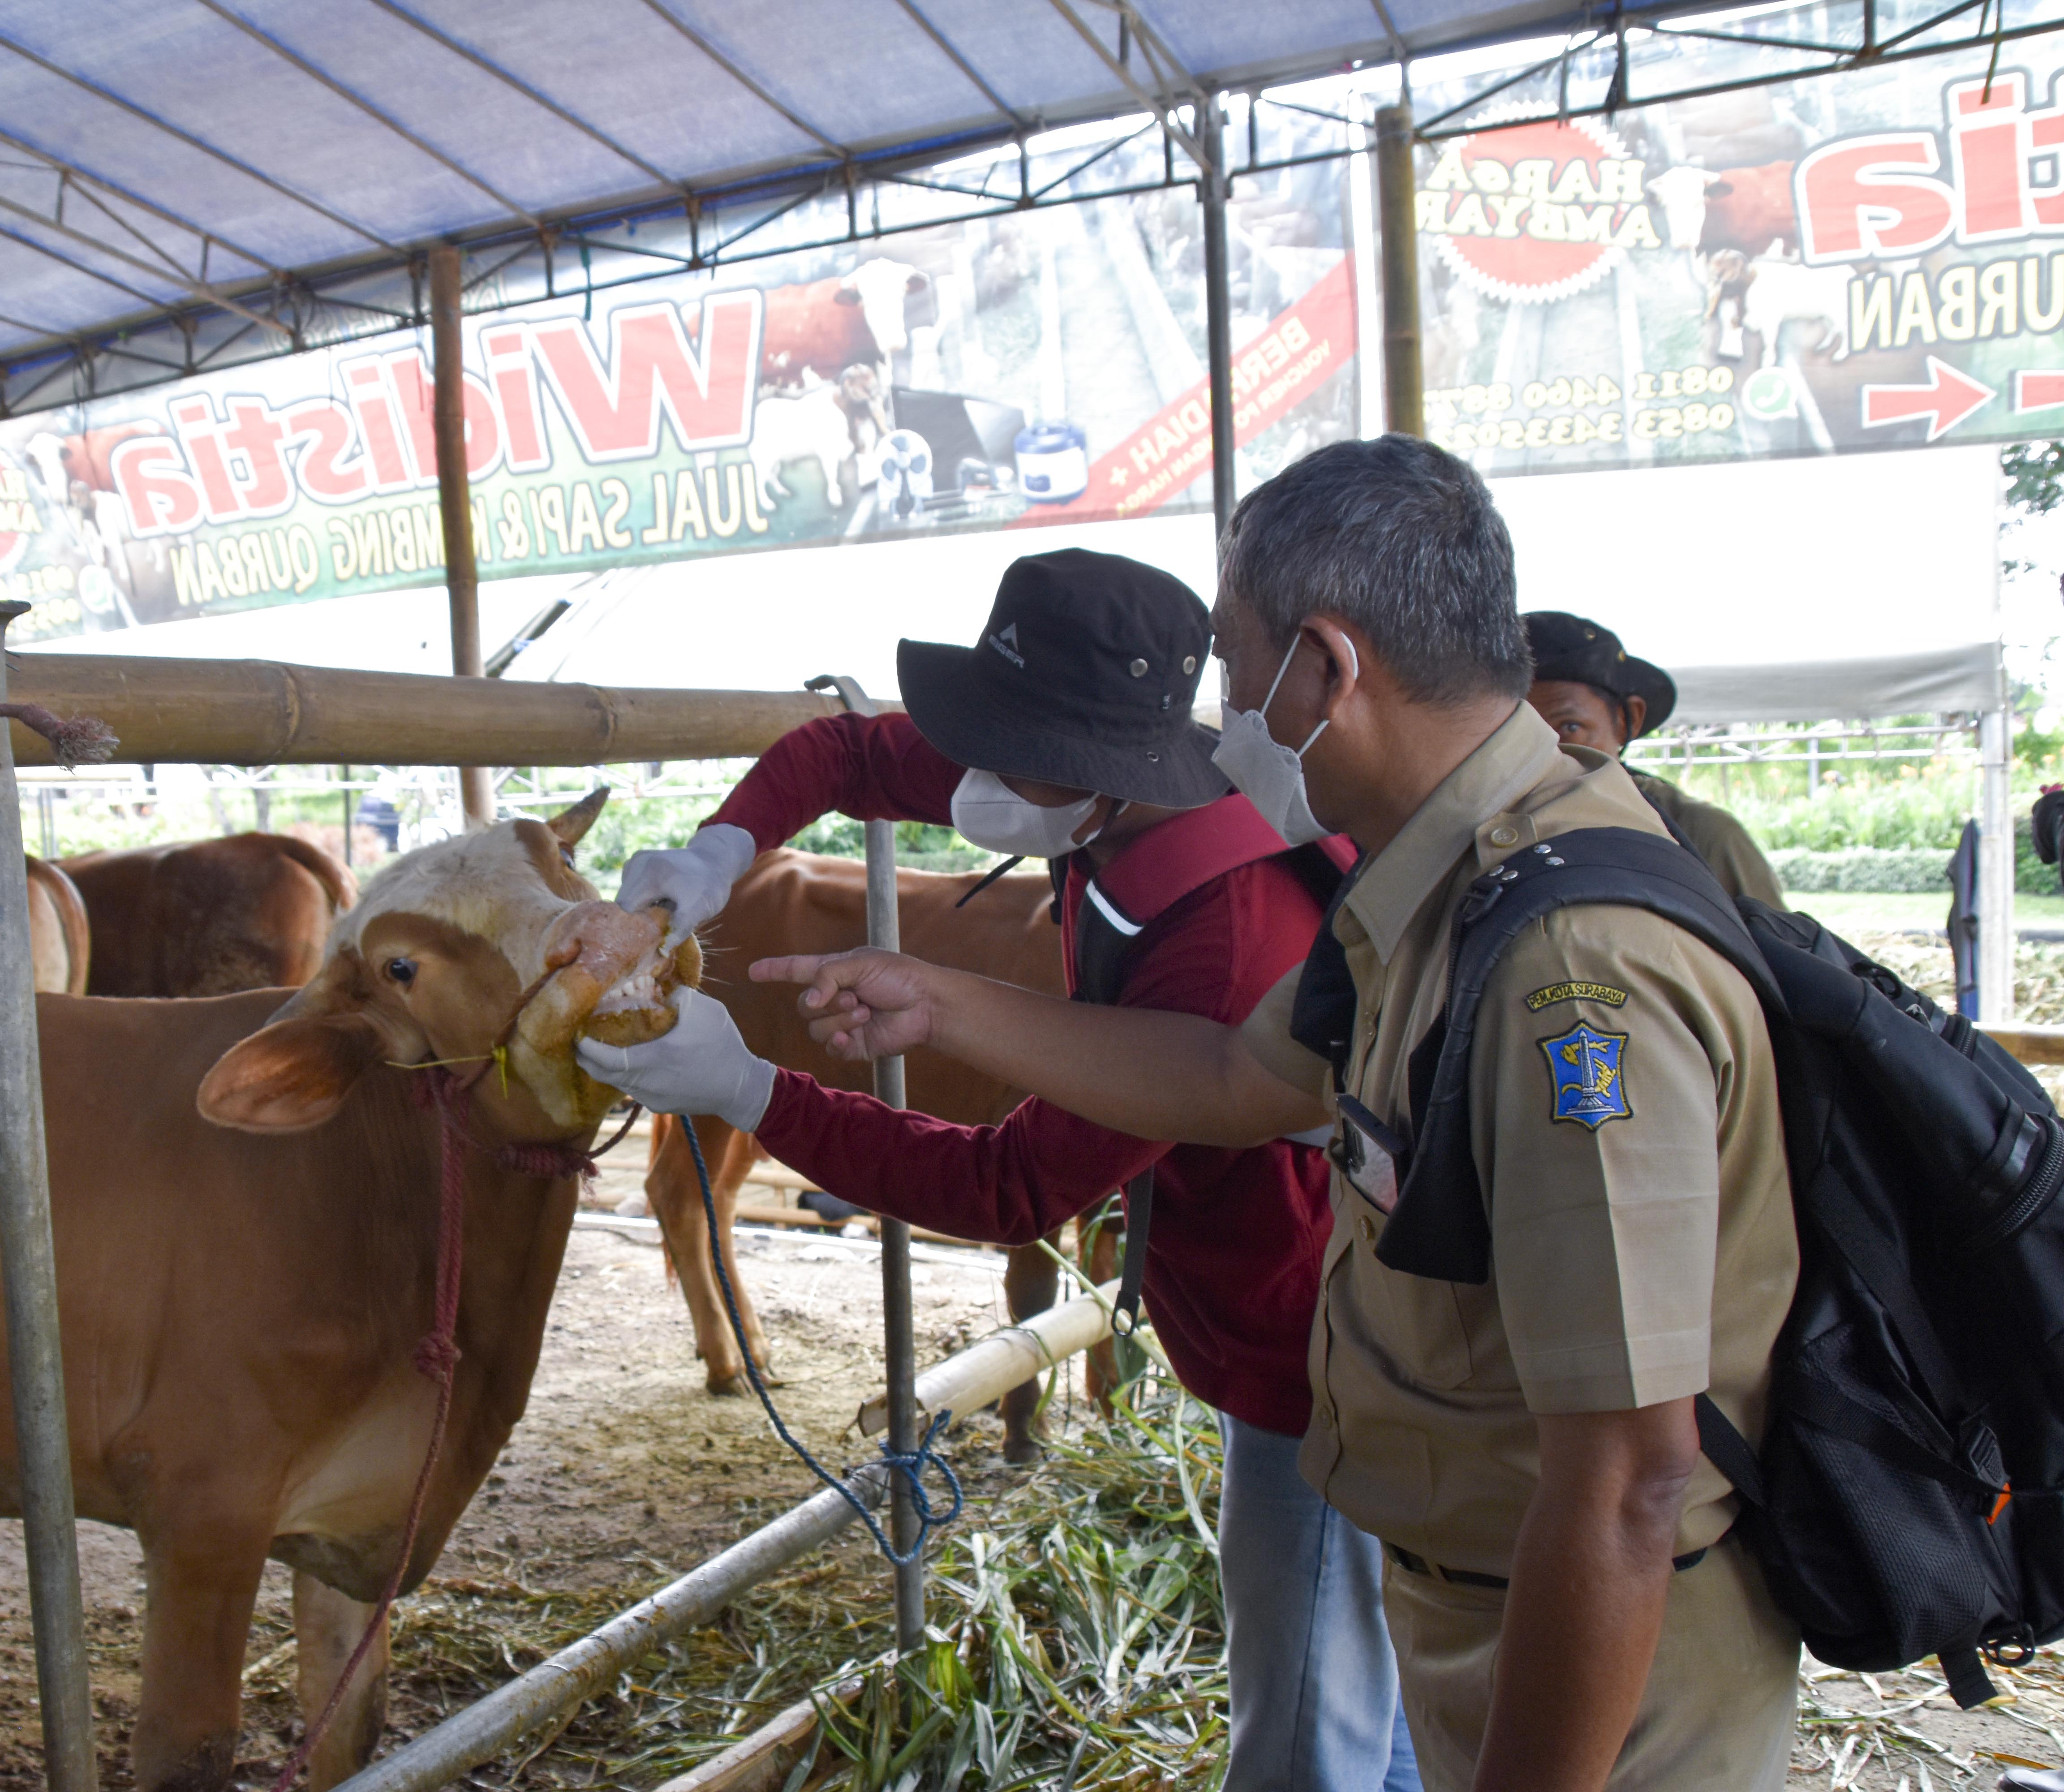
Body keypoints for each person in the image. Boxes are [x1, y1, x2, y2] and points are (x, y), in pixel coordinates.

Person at [740, 439, 1802, 1792]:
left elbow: (1628, 1478)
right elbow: (1234, 1079)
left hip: (1605, 1682)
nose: (1227, 715)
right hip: (1472, 1590)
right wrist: (937, 1002)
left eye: (1236, 671)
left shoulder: (1564, 975)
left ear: (1324, 666)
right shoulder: (1432, 880)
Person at [584, 548, 1419, 1792]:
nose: (972, 770)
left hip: (1315, 1347)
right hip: (1267, 1311)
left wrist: (752, 1090)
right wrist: (712, 860)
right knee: (1353, 1690)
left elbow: (1014, 1189)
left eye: (1000, 743)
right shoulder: (1093, 790)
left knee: (1303, 1733)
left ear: (1100, 762)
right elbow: (844, 754)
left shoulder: (1225, 938)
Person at [1522, 611, 1785, 908]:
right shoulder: (1473, 832)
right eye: (1517, 734)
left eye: (1570, 728)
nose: (1542, 753)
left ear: (1626, 721)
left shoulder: (1703, 837)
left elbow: (1775, 950)